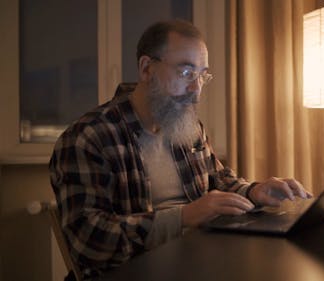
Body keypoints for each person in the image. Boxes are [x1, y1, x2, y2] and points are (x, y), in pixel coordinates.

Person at [49, 19, 310, 279]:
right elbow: (88, 240)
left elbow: (219, 181)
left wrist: (255, 191)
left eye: (202, 76)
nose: (196, 92)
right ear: (146, 68)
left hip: (198, 260)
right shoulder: (89, 137)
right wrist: (183, 217)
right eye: (186, 73)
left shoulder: (187, 126)